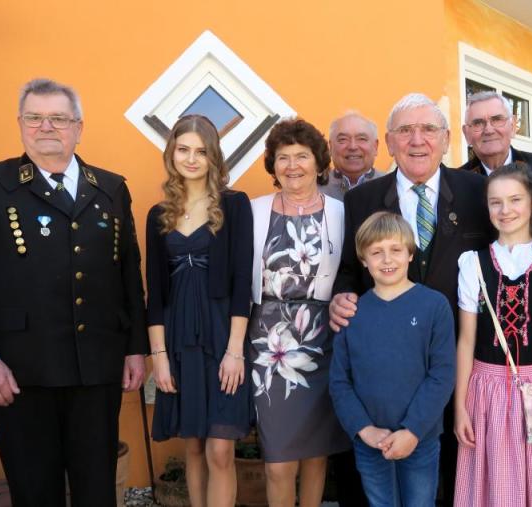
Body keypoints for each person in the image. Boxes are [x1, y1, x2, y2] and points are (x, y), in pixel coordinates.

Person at [0, 78, 148, 506]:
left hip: (96, 369)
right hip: (18, 373)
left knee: (98, 492)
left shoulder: (110, 188)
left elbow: (129, 275)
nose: (46, 127)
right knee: (34, 492)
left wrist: (134, 348)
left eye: (58, 118)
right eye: (35, 117)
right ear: (20, 123)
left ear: (78, 127)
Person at [329, 93, 491, 503]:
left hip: (461, 359)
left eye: (428, 129)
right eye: (405, 130)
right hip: (389, 369)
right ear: (388, 141)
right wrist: (342, 295)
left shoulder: (478, 191)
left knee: (453, 468)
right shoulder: (362, 199)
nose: (417, 140)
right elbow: (349, 267)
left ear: (447, 139)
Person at [145, 114, 253, 507]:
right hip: (178, 340)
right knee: (192, 446)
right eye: (183, 150)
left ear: (213, 157)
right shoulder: (158, 215)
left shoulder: (234, 205)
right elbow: (155, 294)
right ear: (172, 153)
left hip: (223, 337)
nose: (191, 159)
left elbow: (242, 283)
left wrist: (235, 350)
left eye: (201, 152)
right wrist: (159, 358)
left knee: (220, 449)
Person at [249, 118, 350, 507]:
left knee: (315, 454)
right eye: (283, 157)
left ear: (319, 162)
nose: (292, 165)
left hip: (324, 339)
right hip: (268, 346)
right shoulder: (254, 211)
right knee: (278, 462)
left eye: (302, 156)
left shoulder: (340, 213)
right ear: (273, 165)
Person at [453, 163, 532, 506]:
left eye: (515, 199)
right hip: (486, 389)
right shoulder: (473, 263)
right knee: (494, 487)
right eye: (495, 202)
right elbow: (466, 341)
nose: (505, 210)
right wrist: (460, 407)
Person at [329, 211, 456, 507]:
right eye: (376, 252)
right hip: (370, 439)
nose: (387, 260)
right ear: (363, 259)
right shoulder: (353, 313)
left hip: (419, 437)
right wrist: (364, 429)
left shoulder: (434, 306)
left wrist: (412, 431)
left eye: (396, 250)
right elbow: (339, 381)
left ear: (410, 254)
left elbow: (442, 374)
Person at [458, 91, 532, 180]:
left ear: (513, 126)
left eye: (497, 119)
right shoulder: (456, 182)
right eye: (478, 123)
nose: (489, 130)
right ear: (466, 134)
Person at [321, 111, 386, 200]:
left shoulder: (392, 187)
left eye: (361, 139)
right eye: (343, 139)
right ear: (331, 147)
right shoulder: (315, 189)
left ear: (375, 147)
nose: (352, 146)